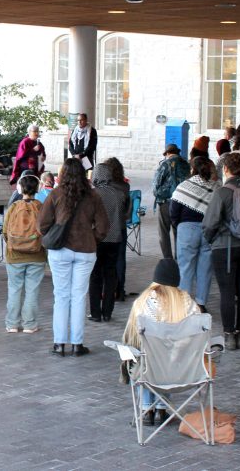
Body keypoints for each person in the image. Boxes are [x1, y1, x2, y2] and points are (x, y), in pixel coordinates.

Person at [38, 158, 108, 357]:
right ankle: (77, 344)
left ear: (63, 174)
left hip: (60, 251)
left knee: (61, 297)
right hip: (86, 250)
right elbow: (103, 227)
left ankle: (59, 344)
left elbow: (42, 225)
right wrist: (92, 238)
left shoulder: (55, 194)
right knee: (79, 297)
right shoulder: (93, 196)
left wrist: (54, 234)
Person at [122, 259, 198, 426]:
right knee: (167, 355)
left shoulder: (142, 302)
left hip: (148, 369)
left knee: (142, 356)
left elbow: (132, 338)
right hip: (183, 370)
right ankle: (161, 409)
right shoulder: (189, 304)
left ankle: (146, 409)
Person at [202, 153, 240, 350]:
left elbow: (210, 223)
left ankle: (229, 336)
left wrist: (210, 239)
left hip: (225, 247)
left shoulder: (222, 193)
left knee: (227, 291)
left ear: (225, 169)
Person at [169, 157, 219, 313]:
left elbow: (173, 212)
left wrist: (179, 226)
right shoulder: (216, 187)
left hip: (187, 229)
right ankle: (200, 304)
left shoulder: (184, 186)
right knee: (205, 268)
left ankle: (183, 305)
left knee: (185, 268)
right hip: (208, 230)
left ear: (192, 169)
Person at [88, 157, 131, 322]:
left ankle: (95, 313)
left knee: (95, 275)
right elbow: (126, 215)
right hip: (115, 238)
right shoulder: (120, 193)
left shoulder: (92, 194)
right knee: (110, 274)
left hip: (97, 239)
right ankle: (107, 312)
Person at [3, 174, 47, 333]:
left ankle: (12, 324)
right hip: (37, 255)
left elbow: (5, 231)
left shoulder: (13, 207)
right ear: (38, 189)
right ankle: (30, 325)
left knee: (14, 290)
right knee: (32, 291)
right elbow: (46, 230)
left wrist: (14, 244)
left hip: (14, 256)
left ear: (20, 189)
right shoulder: (41, 207)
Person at [152, 143, 190, 259]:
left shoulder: (165, 164)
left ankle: (168, 259)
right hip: (182, 203)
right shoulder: (186, 164)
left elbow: (155, 187)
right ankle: (179, 258)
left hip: (166, 202)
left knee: (164, 232)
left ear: (167, 153)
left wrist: (160, 195)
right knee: (178, 231)